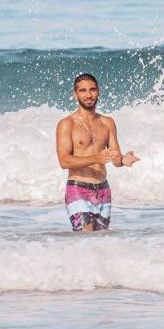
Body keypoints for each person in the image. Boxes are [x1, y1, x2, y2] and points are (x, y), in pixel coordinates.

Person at [55, 73, 139, 231]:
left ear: (98, 91)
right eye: (83, 90)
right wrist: (96, 157)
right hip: (78, 188)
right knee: (86, 235)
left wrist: (123, 160)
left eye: (92, 90)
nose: (88, 95)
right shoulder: (67, 124)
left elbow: (114, 157)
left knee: (100, 240)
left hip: (103, 190)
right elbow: (64, 161)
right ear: (75, 94)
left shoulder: (108, 123)